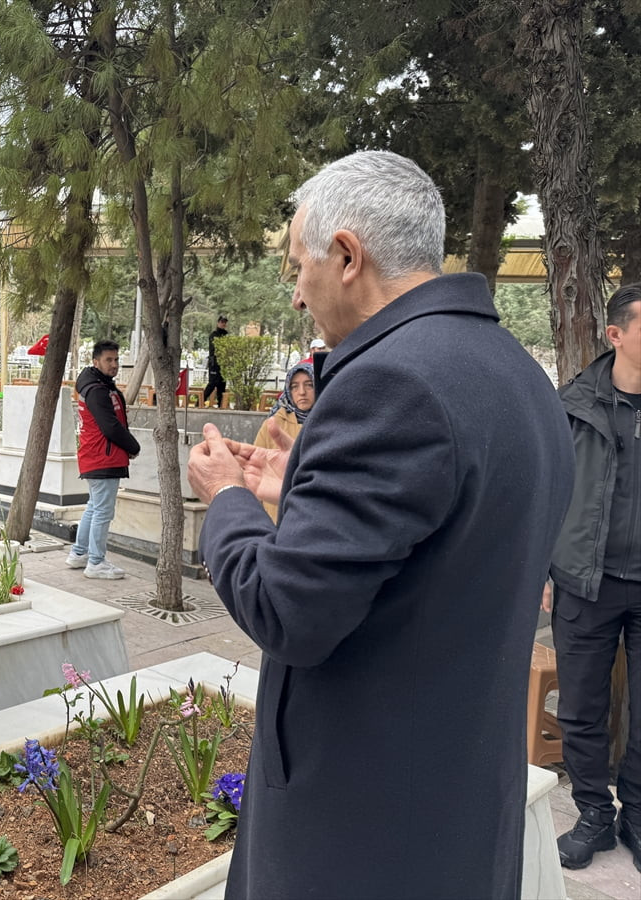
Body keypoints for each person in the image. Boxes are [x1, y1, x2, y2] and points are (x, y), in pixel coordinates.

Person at [185, 150, 574, 899]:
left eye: (300, 265)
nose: (296, 294)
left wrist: (228, 497)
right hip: (452, 799)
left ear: (348, 255)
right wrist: (299, 481)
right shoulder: (515, 371)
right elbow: (438, 545)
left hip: (361, 825)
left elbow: (287, 611)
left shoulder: (390, 383)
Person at [545, 282, 641, 872]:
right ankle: (592, 817)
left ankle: (636, 814)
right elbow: (545, 494)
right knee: (582, 709)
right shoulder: (571, 407)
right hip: (587, 581)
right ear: (616, 334)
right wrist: (539, 571)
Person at [65, 340, 141, 580]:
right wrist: (133, 446)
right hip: (103, 457)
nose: (114, 364)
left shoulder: (99, 386)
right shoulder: (97, 390)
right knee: (102, 512)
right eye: (109, 360)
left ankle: (79, 553)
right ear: (96, 361)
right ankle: (96, 562)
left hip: (98, 456)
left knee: (94, 507)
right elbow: (110, 426)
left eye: (116, 359)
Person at [252, 361, 314, 522]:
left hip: (315, 517)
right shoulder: (273, 424)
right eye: (294, 386)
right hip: (276, 518)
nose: (302, 392)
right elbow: (256, 465)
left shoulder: (330, 423)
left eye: (309, 385)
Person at [203, 315, 229, 407]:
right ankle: (200, 402)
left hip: (223, 364)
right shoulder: (213, 335)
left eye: (225, 322)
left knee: (222, 385)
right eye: (222, 322)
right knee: (212, 384)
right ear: (218, 323)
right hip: (214, 363)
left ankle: (221, 405)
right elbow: (215, 349)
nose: (223, 324)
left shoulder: (226, 335)